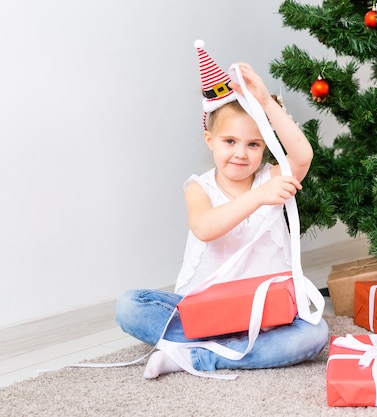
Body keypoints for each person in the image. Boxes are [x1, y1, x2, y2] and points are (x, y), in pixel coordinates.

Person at [115, 44, 328, 379]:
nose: (241, 154)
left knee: (313, 335)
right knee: (129, 305)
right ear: (209, 139)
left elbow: (302, 156)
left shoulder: (271, 177)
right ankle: (223, 341)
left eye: (253, 144)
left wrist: (265, 103)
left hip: (264, 311)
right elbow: (205, 227)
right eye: (230, 141)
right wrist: (259, 197)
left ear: (265, 147)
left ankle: (198, 356)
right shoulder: (199, 187)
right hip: (207, 310)